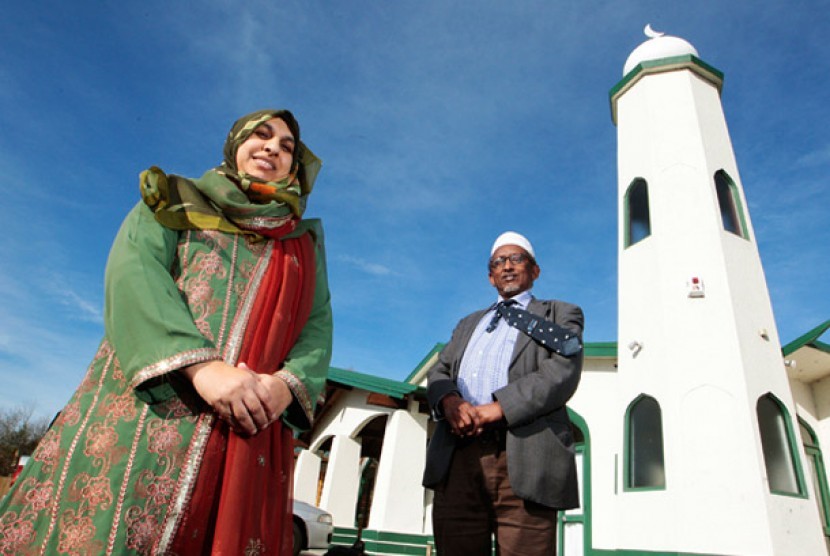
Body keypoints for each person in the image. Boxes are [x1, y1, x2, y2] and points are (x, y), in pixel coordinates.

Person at [0, 109, 333, 555]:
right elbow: (135, 275)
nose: (274, 147)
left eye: (288, 146)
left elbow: (317, 324)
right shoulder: (172, 200)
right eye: (262, 134)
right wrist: (203, 368)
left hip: (253, 424)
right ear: (236, 145)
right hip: (150, 410)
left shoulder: (301, 243)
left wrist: (285, 387)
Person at [422, 231, 584, 556]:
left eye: (516, 258)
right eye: (499, 261)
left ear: (534, 271)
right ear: (490, 276)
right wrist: (450, 402)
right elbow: (440, 371)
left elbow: (561, 369)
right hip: (458, 458)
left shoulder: (559, 313)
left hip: (524, 458)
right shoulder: (468, 323)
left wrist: (497, 408)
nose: (507, 266)